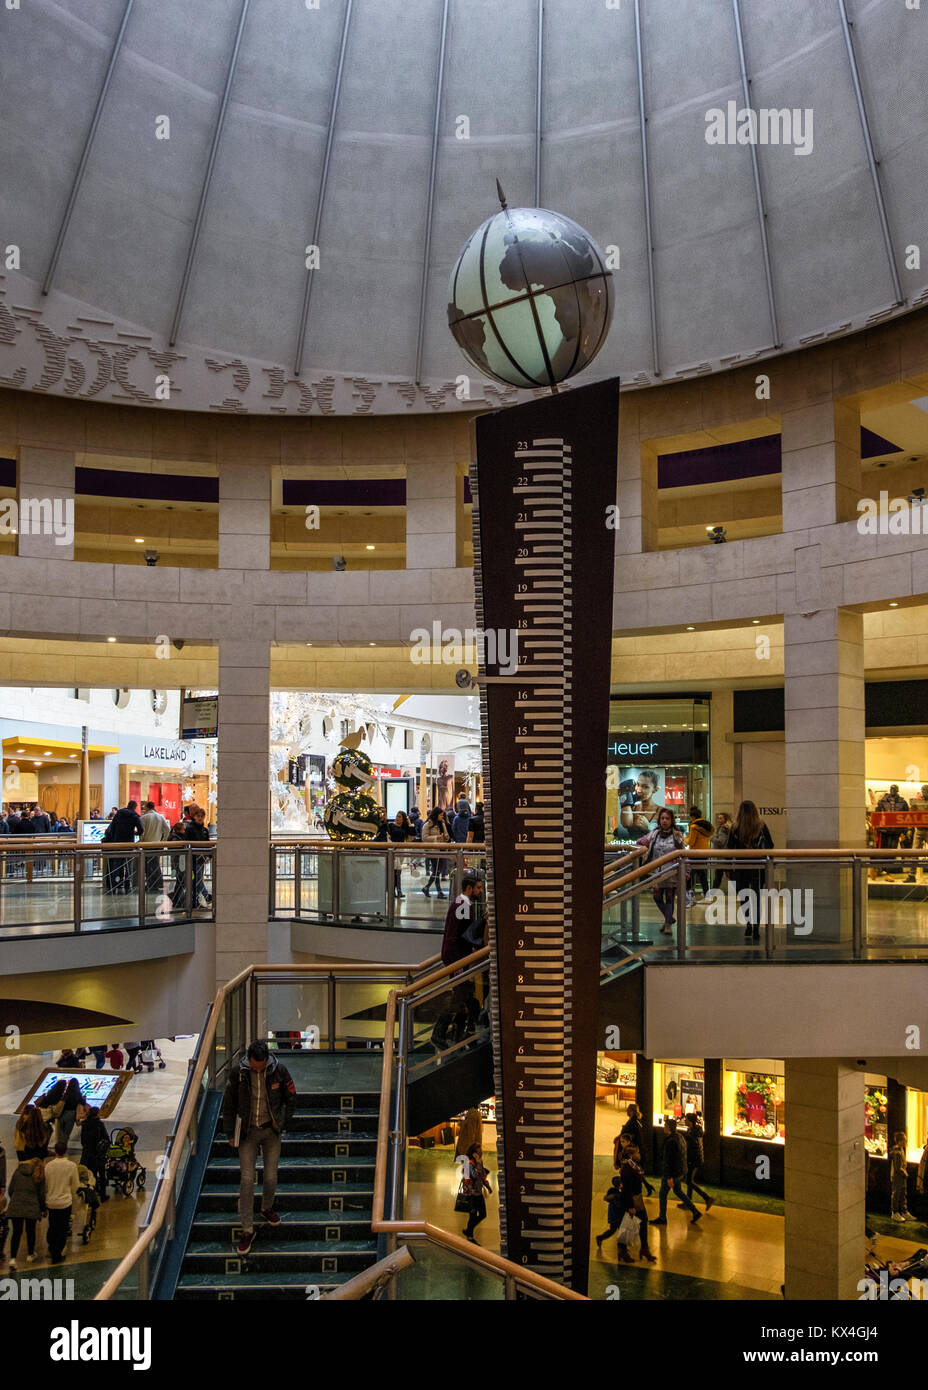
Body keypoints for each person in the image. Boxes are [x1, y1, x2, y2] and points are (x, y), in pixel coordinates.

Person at [222, 1039, 296, 1257]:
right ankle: (247, 1229)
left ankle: (266, 1207)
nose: (258, 1070)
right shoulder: (239, 1073)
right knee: (246, 1179)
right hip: (247, 1133)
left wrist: (280, 1122)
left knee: (271, 1176)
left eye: (261, 1066)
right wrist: (229, 1133)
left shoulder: (279, 1071)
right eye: (255, 1066)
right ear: (249, 1060)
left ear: (266, 1060)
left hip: (271, 1131)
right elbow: (229, 1103)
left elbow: (291, 1098)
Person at [598, 1141, 656, 1263]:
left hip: (637, 1199)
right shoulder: (628, 1169)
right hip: (632, 1201)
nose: (639, 1154)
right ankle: (625, 1250)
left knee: (639, 1224)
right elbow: (627, 1189)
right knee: (629, 1226)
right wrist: (630, 1206)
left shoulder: (633, 1165)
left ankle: (640, 1249)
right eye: (637, 1153)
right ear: (631, 1155)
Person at [727, 800, 774, 942]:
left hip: (740, 867)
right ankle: (756, 928)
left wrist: (727, 868)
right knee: (757, 898)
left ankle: (748, 923)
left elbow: (729, 849)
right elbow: (771, 845)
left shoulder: (735, 827)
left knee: (744, 897)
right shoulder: (761, 826)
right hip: (758, 867)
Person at [637, 808, 687, 934]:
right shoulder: (654, 833)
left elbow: (684, 853)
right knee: (657, 897)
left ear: (672, 820)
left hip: (671, 872)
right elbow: (641, 841)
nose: (664, 821)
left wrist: (687, 871)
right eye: (662, 818)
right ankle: (669, 918)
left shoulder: (677, 835)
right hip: (657, 872)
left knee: (670, 898)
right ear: (659, 820)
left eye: (667, 819)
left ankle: (668, 924)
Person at [651, 1118, 700, 1226]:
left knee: (663, 1194)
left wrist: (669, 1177)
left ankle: (662, 1218)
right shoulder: (680, 1137)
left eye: (665, 1126)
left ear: (668, 1127)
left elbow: (669, 1160)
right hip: (680, 1171)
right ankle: (695, 1211)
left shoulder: (670, 1141)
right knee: (678, 1191)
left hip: (672, 1173)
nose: (664, 1127)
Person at [6, 1156, 45, 1270]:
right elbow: (41, 1195)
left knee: (16, 1233)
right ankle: (30, 1254)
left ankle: (13, 1259)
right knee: (30, 1231)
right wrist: (43, 1209)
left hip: (16, 1205)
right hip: (32, 1207)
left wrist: (15, 1198)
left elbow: (10, 1190)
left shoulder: (18, 1171)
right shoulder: (39, 1175)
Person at [43, 1142, 79, 1263]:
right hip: (65, 1202)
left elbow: (46, 1184)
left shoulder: (48, 1166)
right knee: (62, 1229)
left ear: (55, 1151)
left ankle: (51, 1248)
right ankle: (57, 1253)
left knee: (52, 1226)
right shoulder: (72, 1166)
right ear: (66, 1150)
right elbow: (75, 1186)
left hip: (51, 1201)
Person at [441, 869, 484, 966]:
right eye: (478, 888)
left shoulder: (461, 902)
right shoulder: (462, 906)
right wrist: (456, 962)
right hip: (457, 958)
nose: (481, 891)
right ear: (469, 888)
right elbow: (454, 934)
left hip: (458, 955)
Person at [101, 799, 144, 895]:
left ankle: (114, 886)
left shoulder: (118, 814)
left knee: (116, 866)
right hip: (129, 844)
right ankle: (128, 887)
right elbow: (141, 830)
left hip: (117, 844)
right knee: (128, 866)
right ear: (135, 807)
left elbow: (112, 828)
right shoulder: (134, 816)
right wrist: (133, 832)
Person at [619, 1103, 655, 1196]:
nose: (626, 1111)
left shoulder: (633, 1122)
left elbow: (631, 1135)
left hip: (632, 1150)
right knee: (636, 1170)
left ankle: (640, 1191)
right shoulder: (637, 1121)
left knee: (633, 1170)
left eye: (628, 1109)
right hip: (635, 1150)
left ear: (631, 1111)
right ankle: (647, 1186)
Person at [681, 1113, 714, 1212]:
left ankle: (707, 1198)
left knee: (689, 1181)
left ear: (690, 1121)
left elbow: (693, 1148)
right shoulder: (694, 1131)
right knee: (689, 1179)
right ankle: (688, 1202)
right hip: (695, 1159)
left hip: (694, 1160)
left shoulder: (693, 1133)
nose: (685, 1121)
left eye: (686, 1119)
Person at [459, 1142, 491, 1242]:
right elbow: (475, 1175)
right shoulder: (469, 1164)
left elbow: (482, 1176)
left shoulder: (479, 1162)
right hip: (471, 1194)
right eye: (478, 1151)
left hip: (478, 1193)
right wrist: (477, 1163)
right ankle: (470, 1235)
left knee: (483, 1214)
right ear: (473, 1153)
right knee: (472, 1215)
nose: (480, 1152)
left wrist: (487, 1186)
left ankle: (468, 1230)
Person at [79, 1106, 110, 1203]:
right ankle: (103, 1195)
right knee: (101, 1173)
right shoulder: (99, 1124)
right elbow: (106, 1139)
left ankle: (92, 1193)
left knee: (90, 1175)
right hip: (98, 1154)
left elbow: (83, 1140)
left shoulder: (85, 1124)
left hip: (87, 1154)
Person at [140, 799, 170, 894]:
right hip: (157, 844)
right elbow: (167, 829)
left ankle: (151, 883)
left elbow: (142, 832)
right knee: (156, 864)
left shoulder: (144, 818)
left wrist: (141, 841)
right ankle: (158, 882)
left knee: (148, 865)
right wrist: (163, 841)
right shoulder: (160, 817)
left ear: (147, 807)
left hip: (147, 845)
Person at [620, 770, 664, 834]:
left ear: (655, 790)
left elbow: (666, 836)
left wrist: (648, 828)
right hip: (632, 844)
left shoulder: (661, 811)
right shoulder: (632, 807)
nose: (639, 790)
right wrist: (624, 794)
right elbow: (626, 823)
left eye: (645, 787)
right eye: (638, 785)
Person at [185, 805, 213, 906]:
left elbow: (207, 843)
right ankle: (206, 896)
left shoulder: (205, 830)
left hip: (201, 858)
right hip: (193, 857)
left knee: (197, 879)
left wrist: (209, 856)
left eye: (202, 816)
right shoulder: (190, 828)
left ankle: (195, 901)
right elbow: (187, 842)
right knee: (197, 879)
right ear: (195, 816)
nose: (200, 818)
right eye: (198, 816)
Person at [685, 806, 713, 901]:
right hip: (705, 853)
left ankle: (688, 894)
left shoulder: (694, 827)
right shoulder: (707, 825)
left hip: (695, 853)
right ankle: (707, 894)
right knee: (703, 875)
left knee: (690, 875)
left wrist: (685, 838)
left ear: (693, 817)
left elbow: (691, 842)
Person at [421, 806, 451, 898]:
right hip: (433, 851)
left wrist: (446, 837)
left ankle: (427, 888)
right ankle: (438, 891)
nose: (442, 816)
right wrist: (436, 838)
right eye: (441, 815)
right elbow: (424, 838)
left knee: (437, 871)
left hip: (442, 850)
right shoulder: (427, 825)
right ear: (436, 815)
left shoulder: (442, 824)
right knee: (436, 871)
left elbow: (446, 836)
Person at [384, 810, 411, 898]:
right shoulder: (391, 825)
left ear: (403, 819)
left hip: (401, 850)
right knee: (394, 870)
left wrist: (409, 824)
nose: (397, 818)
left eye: (399, 817)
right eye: (397, 816)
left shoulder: (404, 827)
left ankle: (398, 890)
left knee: (398, 871)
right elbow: (388, 836)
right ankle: (394, 890)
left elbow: (412, 834)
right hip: (392, 849)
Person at [56, 1076, 84, 1148]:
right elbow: (83, 1102)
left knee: (60, 1133)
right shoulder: (78, 1095)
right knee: (66, 1134)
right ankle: (63, 1148)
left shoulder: (65, 1094)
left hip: (62, 1114)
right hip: (71, 1115)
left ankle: (59, 1148)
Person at [890, 1130, 911, 1221]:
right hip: (898, 1176)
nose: (906, 1142)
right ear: (899, 1141)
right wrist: (905, 1173)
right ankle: (895, 1212)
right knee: (896, 1194)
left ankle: (904, 1211)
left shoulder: (901, 1150)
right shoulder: (897, 1152)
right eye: (904, 1140)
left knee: (903, 1194)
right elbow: (897, 1167)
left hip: (902, 1176)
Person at [709, 811, 732, 890]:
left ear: (725, 819)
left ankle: (711, 894)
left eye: (721, 818)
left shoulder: (723, 828)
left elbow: (720, 841)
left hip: (722, 856)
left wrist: (711, 838)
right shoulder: (728, 827)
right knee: (728, 876)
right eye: (718, 818)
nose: (719, 820)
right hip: (726, 856)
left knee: (718, 876)